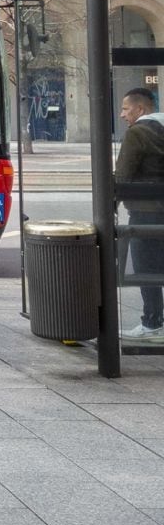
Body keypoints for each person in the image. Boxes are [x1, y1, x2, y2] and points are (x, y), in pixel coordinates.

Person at [115, 87, 164, 341]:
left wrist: (110, 204)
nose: (123, 114)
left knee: (147, 268)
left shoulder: (138, 133)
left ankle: (153, 321)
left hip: (145, 213)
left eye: (125, 108)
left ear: (140, 109)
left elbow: (123, 175)